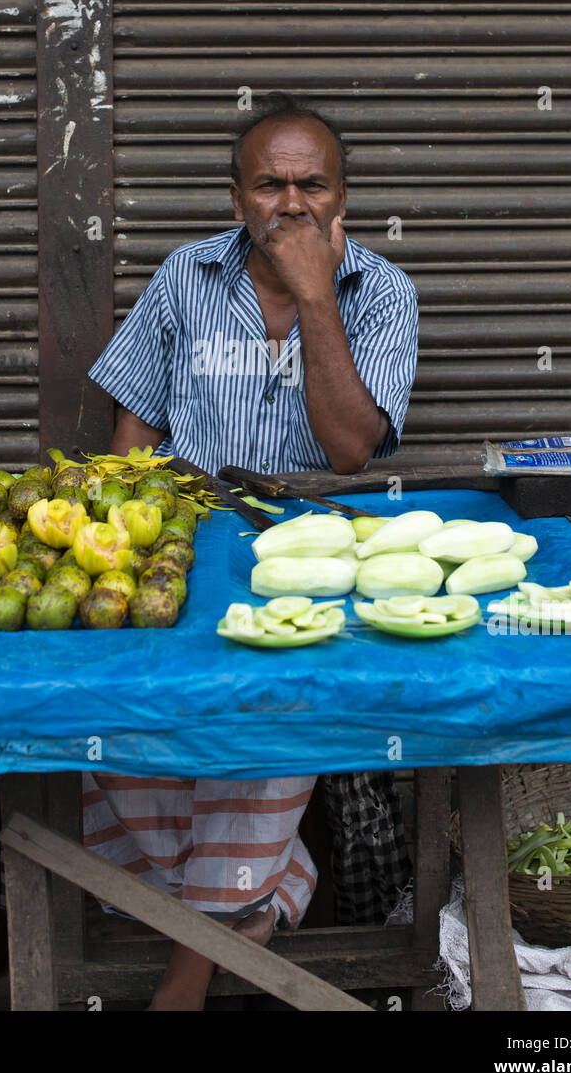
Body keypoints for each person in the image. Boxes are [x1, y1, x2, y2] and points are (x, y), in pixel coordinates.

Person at [84, 90, 418, 1009]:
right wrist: (121, 546)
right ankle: (266, 896)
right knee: (115, 730)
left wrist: (316, 296)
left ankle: (186, 975)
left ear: (341, 196)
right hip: (181, 555)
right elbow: (130, 442)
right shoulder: (186, 277)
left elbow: (351, 446)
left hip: (310, 561)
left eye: (312, 185)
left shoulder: (383, 294)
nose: (292, 204)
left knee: (270, 714)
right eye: (270, 185)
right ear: (237, 200)